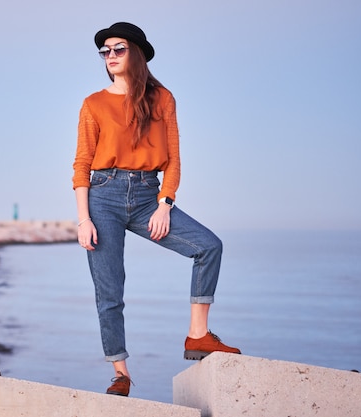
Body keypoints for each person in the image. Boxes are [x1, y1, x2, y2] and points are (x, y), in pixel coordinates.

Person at [72, 22, 241, 397]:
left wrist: (165, 203)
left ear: (137, 53)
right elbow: (82, 163)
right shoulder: (93, 104)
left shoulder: (162, 98)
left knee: (208, 246)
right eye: (105, 51)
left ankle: (198, 335)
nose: (110, 56)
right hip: (103, 197)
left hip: (150, 196)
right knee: (110, 290)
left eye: (118, 49)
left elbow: (174, 158)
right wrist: (83, 219)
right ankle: (120, 374)